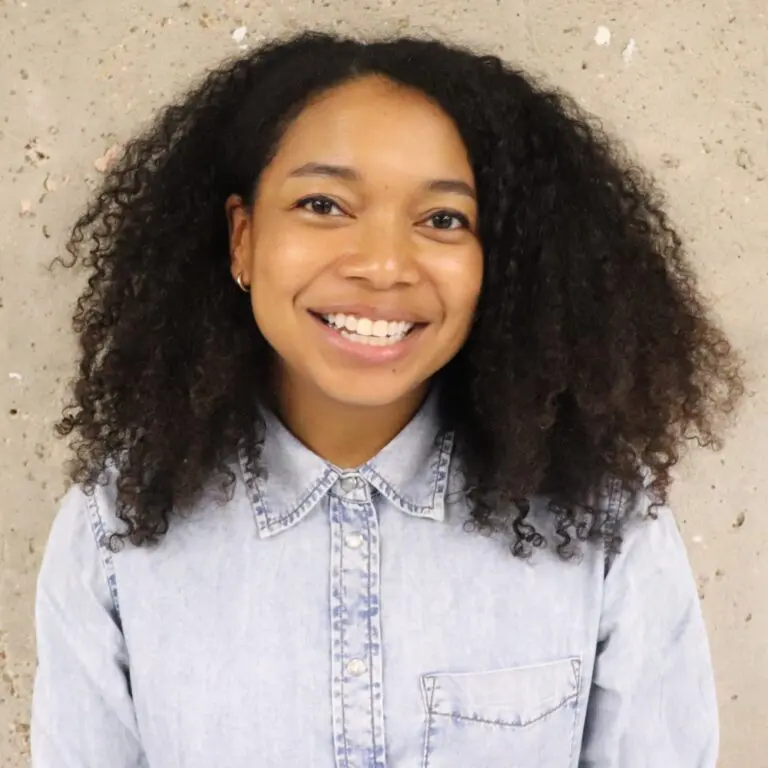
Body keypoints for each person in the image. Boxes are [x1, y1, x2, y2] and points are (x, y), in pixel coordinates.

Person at [31, 31, 744, 768]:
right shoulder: (113, 531)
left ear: (501, 262)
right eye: (323, 204)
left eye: (443, 219)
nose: (382, 265)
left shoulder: (604, 521)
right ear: (243, 239)